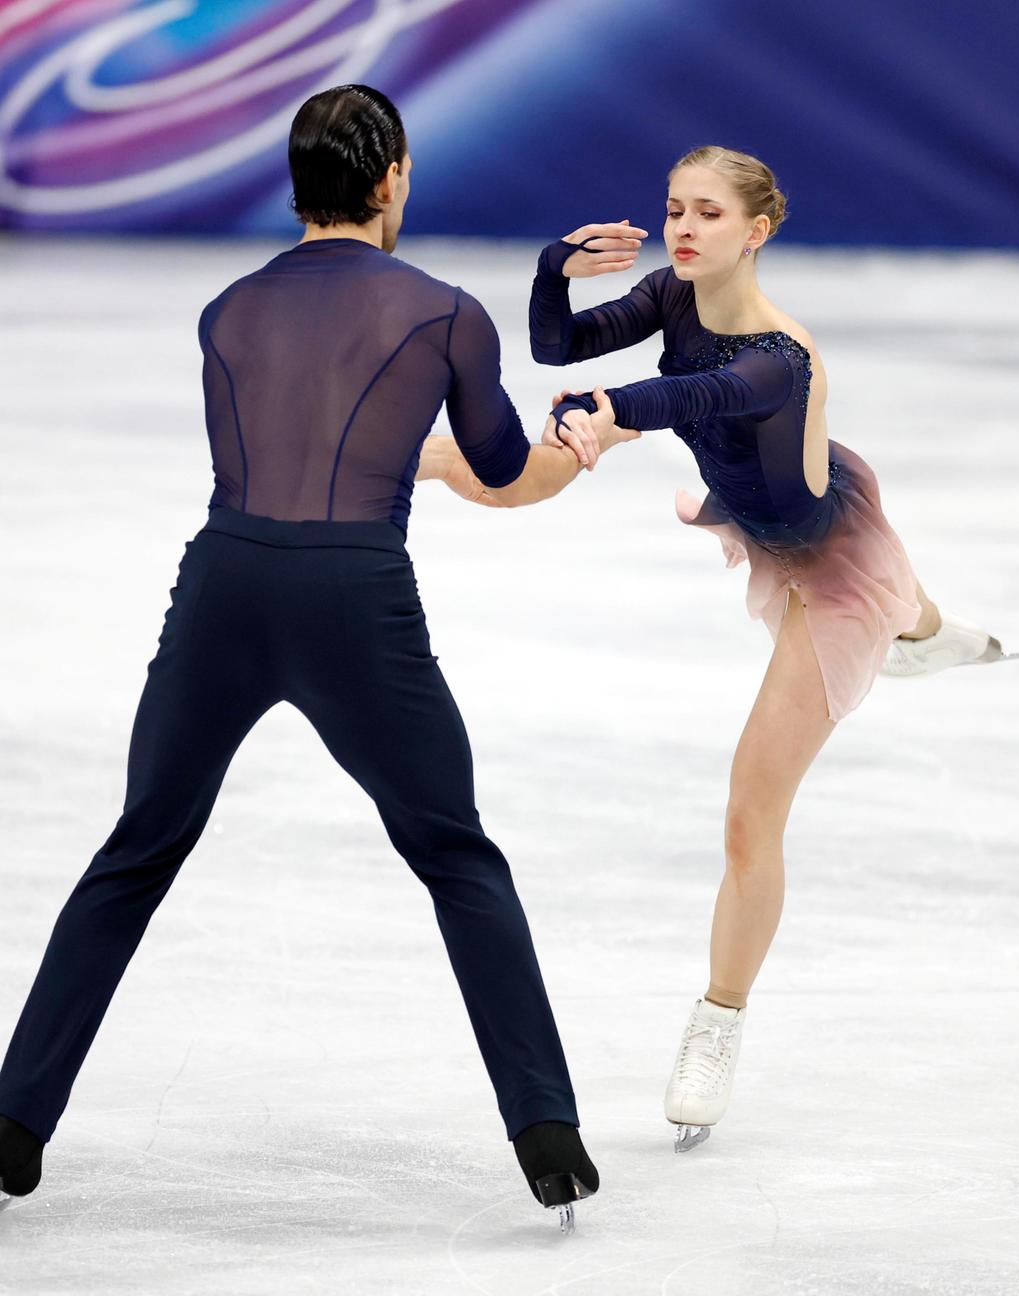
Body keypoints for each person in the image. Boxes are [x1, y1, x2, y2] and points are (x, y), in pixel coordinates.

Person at [0, 85, 634, 1231]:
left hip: (224, 587)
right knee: (454, 854)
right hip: (356, 599)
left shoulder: (225, 308)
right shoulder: (444, 312)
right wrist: (575, 442)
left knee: (139, 848)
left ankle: (10, 1120)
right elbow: (495, 463)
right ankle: (546, 1133)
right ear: (389, 176)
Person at [522, 145, 1019, 1152]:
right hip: (768, 510)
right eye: (674, 209)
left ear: (757, 231)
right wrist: (550, 268)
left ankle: (719, 1020)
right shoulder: (672, 296)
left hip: (824, 557)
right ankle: (927, 631)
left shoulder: (782, 356)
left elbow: (699, 400)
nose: (683, 228)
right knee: (901, 601)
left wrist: (618, 412)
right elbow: (555, 349)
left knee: (755, 810)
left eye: (708, 213)